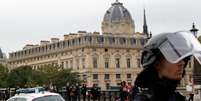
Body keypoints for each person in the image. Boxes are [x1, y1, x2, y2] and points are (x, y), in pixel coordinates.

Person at [133, 31, 201, 101]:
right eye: (174, 57)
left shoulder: (179, 98)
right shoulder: (144, 99)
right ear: (156, 64)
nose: (182, 63)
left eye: (183, 59)